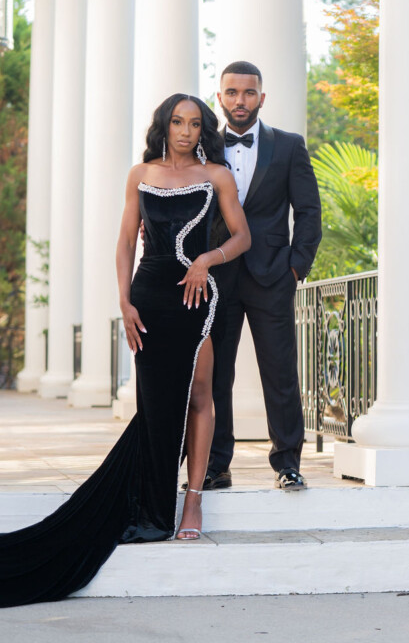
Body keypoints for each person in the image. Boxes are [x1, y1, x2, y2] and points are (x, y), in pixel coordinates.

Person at [0, 93, 250, 607]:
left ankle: (191, 505)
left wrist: (206, 259)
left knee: (201, 394)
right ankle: (151, 506)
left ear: (204, 129)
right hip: (150, 297)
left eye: (195, 123)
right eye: (177, 122)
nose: (185, 130)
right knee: (155, 406)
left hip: (196, 296)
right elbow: (123, 243)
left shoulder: (217, 176)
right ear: (164, 125)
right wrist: (124, 302)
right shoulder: (140, 173)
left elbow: (243, 236)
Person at [205, 61, 322, 492]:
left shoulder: (289, 146)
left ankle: (288, 462)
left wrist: (297, 267)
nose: (240, 100)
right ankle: (216, 465)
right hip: (218, 278)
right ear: (220, 97)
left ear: (261, 98)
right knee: (217, 375)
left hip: (273, 275)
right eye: (232, 92)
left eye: (249, 93)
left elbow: (308, 211)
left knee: (280, 372)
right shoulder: (205, 149)